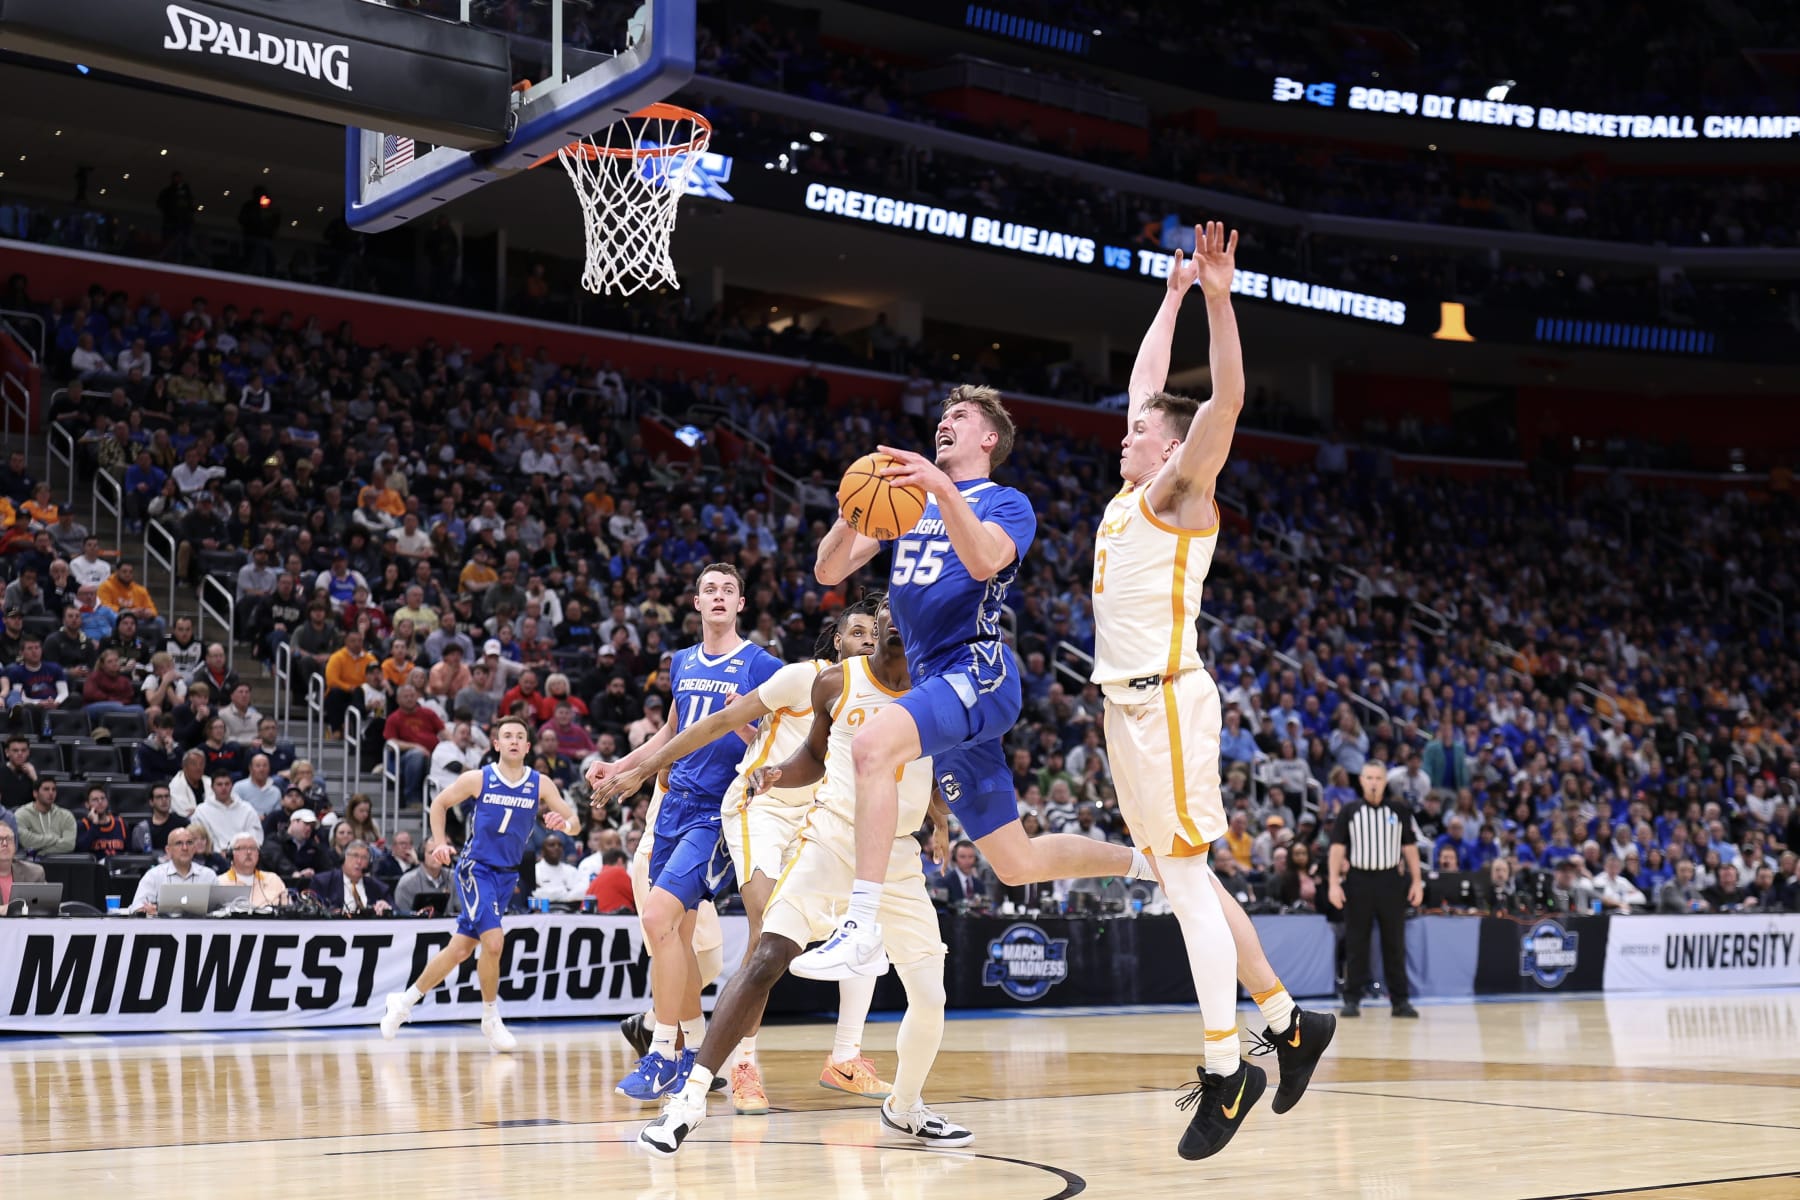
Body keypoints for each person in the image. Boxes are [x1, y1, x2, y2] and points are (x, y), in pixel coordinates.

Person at [798, 385, 1153, 982]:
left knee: (871, 746)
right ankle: (1146, 865)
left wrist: (939, 488)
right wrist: (853, 506)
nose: (944, 423)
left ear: (989, 438)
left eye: (959, 416)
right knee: (1014, 862)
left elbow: (987, 559)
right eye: (942, 416)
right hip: (934, 683)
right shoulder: (906, 506)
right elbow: (828, 569)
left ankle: (860, 926)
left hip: (977, 670)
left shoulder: (1006, 501)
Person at [640, 603, 966, 1155]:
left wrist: (941, 818)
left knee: (930, 995)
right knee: (767, 954)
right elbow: (813, 757)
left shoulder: (942, 689)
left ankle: (905, 1106)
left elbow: (941, 768)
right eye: (882, 613)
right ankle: (689, 1101)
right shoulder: (835, 683)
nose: (890, 621)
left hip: (898, 858)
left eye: (899, 613)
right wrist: (777, 772)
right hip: (832, 839)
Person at [590, 601, 888, 1112]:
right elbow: (716, 721)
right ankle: (735, 1063)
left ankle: (844, 1056)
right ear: (836, 641)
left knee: (861, 929)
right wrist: (642, 767)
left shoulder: (886, 696)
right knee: (762, 929)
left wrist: (938, 815)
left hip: (816, 816)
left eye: (875, 633)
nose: (867, 640)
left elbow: (785, 739)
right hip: (760, 808)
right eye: (856, 631)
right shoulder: (799, 676)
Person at [603, 564, 781, 1103]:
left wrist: (745, 726)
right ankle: (686, 1057)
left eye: (729, 589)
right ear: (697, 603)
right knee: (670, 935)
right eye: (711, 589)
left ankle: (663, 1052)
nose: (720, 596)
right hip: (672, 804)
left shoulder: (761, 664)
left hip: (718, 810)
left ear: (741, 605)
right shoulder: (680, 662)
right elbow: (672, 731)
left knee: (658, 916)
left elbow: (778, 743)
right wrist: (622, 766)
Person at [378, 715, 577, 1051]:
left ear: (528, 747)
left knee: (459, 949)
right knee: (494, 942)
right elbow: (438, 804)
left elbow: (574, 822)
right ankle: (490, 1017)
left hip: (507, 874)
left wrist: (566, 825)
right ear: (496, 745)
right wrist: (440, 842)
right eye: (507, 736)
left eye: (520, 736)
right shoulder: (479, 778)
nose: (514, 740)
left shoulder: (540, 784)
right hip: (476, 869)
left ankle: (403, 1001)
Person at [1328, 760, 1424, 1018]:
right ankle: (1352, 999)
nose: (1373, 782)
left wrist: (1416, 881)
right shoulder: (1349, 811)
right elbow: (1337, 848)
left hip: (1391, 881)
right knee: (1356, 942)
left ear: (1385, 781)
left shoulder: (1399, 810)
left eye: (1377, 778)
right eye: (1368, 777)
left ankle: (1400, 1001)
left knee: (1395, 941)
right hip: (1358, 880)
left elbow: (1410, 848)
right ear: (1361, 780)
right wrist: (1333, 883)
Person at [125, 826, 218, 914]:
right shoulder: (154, 875)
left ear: (194, 848)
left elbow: (221, 910)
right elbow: (137, 907)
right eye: (179, 843)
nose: (185, 848)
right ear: (168, 850)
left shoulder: (208, 875)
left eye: (189, 843)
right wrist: (147, 911)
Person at [308, 840, 393, 914]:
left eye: (364, 858)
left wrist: (387, 907)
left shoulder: (378, 887)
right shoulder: (323, 882)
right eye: (355, 856)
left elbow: (396, 911)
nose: (359, 862)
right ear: (343, 858)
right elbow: (311, 911)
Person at [191, 772, 262, 852]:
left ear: (232, 786)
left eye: (227, 784)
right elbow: (200, 837)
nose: (224, 788)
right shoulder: (201, 811)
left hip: (244, 853)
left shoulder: (247, 809)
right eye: (219, 784)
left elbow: (255, 834)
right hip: (213, 856)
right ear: (212, 787)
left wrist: (241, 851)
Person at [218, 831, 289, 907]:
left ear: (259, 854)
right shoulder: (220, 883)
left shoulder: (273, 880)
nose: (249, 852)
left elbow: (287, 911)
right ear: (231, 854)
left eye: (253, 848)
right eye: (243, 848)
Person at [15, 776, 75, 856]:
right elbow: (26, 842)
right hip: (31, 864)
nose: (51, 793)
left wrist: (39, 852)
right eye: (46, 789)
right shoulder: (21, 814)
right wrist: (54, 838)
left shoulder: (66, 815)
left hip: (59, 863)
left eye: (53, 789)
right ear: (35, 793)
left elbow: (69, 845)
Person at [394, 849, 461, 916]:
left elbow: (464, 910)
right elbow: (402, 916)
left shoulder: (454, 877)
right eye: (431, 852)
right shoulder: (406, 882)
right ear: (422, 856)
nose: (437, 856)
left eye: (440, 852)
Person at [128, 783, 188, 855]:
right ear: (151, 802)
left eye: (167, 796)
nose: (164, 800)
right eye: (159, 797)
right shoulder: (142, 829)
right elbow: (139, 859)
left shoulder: (182, 823)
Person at [0, 825, 47, 907]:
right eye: (0, 839)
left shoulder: (34, 873)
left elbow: (47, 905)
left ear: (15, 846)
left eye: (9, 839)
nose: (5, 843)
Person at [532, 836, 584, 902]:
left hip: (570, 909)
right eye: (551, 845)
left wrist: (549, 891)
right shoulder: (535, 870)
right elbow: (537, 895)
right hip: (544, 910)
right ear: (543, 852)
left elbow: (581, 893)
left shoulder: (571, 870)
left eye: (560, 845)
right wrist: (566, 891)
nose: (556, 848)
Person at [585, 848, 634, 913]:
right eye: (626, 867)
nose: (626, 871)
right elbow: (637, 897)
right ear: (620, 861)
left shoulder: (596, 878)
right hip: (616, 919)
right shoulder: (618, 872)